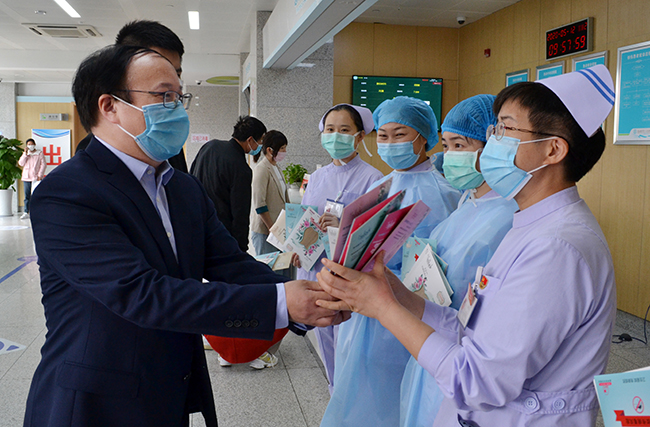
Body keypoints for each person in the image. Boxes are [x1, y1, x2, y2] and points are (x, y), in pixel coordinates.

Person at [24, 44, 343, 427]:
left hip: (169, 393)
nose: (177, 110)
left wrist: (313, 300)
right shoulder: (67, 193)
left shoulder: (181, 188)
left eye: (180, 98)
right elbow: (142, 294)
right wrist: (280, 302)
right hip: (95, 404)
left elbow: (229, 263)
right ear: (109, 106)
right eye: (164, 97)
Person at [318, 64, 617, 426]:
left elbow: (477, 381)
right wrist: (396, 294)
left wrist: (383, 308)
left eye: (504, 129)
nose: (493, 142)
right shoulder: (532, 225)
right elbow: (471, 327)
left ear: (552, 150)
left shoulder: (557, 248)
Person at [320, 96, 460, 427]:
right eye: (383, 136)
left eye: (400, 135)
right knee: (359, 388)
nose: (389, 143)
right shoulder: (380, 185)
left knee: (399, 393)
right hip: (364, 307)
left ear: (424, 137)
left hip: (412, 309)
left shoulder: (445, 193)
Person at [399, 94, 518, 427]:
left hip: (466, 356)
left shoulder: (508, 214)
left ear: (492, 146)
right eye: (447, 145)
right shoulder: (469, 200)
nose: (450, 156)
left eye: (460, 145)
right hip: (436, 340)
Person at [298, 103, 383, 393]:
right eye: (330, 129)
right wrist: (296, 248)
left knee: (351, 345)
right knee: (326, 343)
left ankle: (351, 399)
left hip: (351, 276)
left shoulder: (373, 179)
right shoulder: (317, 177)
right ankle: (335, 394)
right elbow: (304, 221)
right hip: (317, 272)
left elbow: (375, 235)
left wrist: (343, 226)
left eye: (344, 130)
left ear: (359, 136)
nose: (335, 136)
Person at [75, 20, 189, 173]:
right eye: (156, 64)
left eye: (177, 73)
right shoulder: (87, 163)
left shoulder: (166, 143)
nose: (170, 77)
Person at [190, 116, 265, 251]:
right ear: (250, 140)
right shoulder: (241, 168)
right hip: (221, 236)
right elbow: (240, 213)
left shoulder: (210, 146)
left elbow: (191, 177)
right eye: (260, 141)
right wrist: (241, 248)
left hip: (196, 226)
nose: (260, 145)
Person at [250, 130, 289, 257]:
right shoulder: (261, 169)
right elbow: (259, 204)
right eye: (282, 148)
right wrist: (272, 229)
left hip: (279, 230)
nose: (284, 151)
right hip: (266, 231)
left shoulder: (276, 167)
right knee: (268, 267)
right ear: (269, 150)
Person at [18, 138, 46, 219]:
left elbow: (43, 164)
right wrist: (25, 154)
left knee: (36, 195)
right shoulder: (26, 154)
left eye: (31, 144)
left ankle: (36, 211)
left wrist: (40, 175)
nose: (30, 146)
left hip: (36, 178)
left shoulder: (39, 153)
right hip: (26, 177)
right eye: (29, 144)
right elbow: (21, 163)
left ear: (35, 144)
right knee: (27, 196)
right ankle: (26, 212)